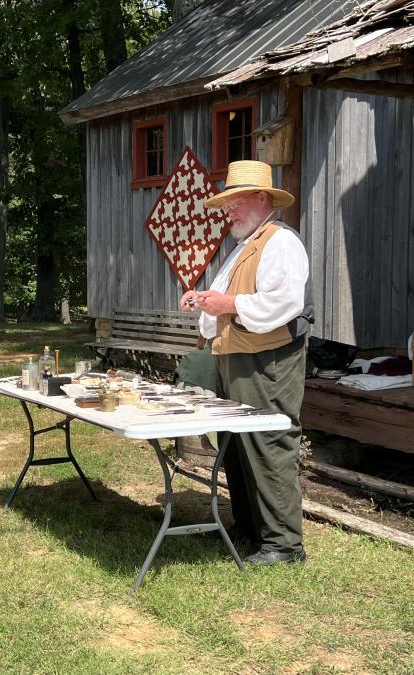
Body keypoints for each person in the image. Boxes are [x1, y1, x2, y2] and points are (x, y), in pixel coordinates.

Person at [180, 160, 313, 566]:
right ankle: (249, 529)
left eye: (234, 202)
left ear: (260, 198)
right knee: (237, 444)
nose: (228, 211)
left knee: (268, 443)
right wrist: (205, 300)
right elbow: (227, 299)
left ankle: (284, 545)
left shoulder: (281, 242)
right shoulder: (244, 245)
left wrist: (228, 304)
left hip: (267, 361)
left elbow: (285, 302)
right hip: (236, 357)